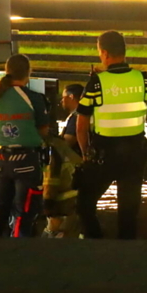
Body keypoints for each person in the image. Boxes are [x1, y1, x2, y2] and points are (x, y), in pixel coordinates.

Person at [76, 31, 147, 240]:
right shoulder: (142, 79)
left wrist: (85, 154)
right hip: (135, 153)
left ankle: (96, 243)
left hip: (105, 154)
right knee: (128, 212)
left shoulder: (97, 82)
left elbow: (81, 124)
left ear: (106, 53)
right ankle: (127, 256)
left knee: (84, 204)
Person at [0, 54, 50, 237]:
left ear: (7, 71)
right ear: (28, 73)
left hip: (0, 161)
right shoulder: (34, 98)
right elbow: (43, 130)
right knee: (24, 212)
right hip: (26, 162)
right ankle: (19, 252)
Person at [43, 83, 84, 238]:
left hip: (71, 170)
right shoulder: (85, 114)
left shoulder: (76, 117)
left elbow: (68, 142)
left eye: (64, 97)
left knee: (61, 216)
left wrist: (51, 140)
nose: (61, 101)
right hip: (81, 169)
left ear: (72, 97)